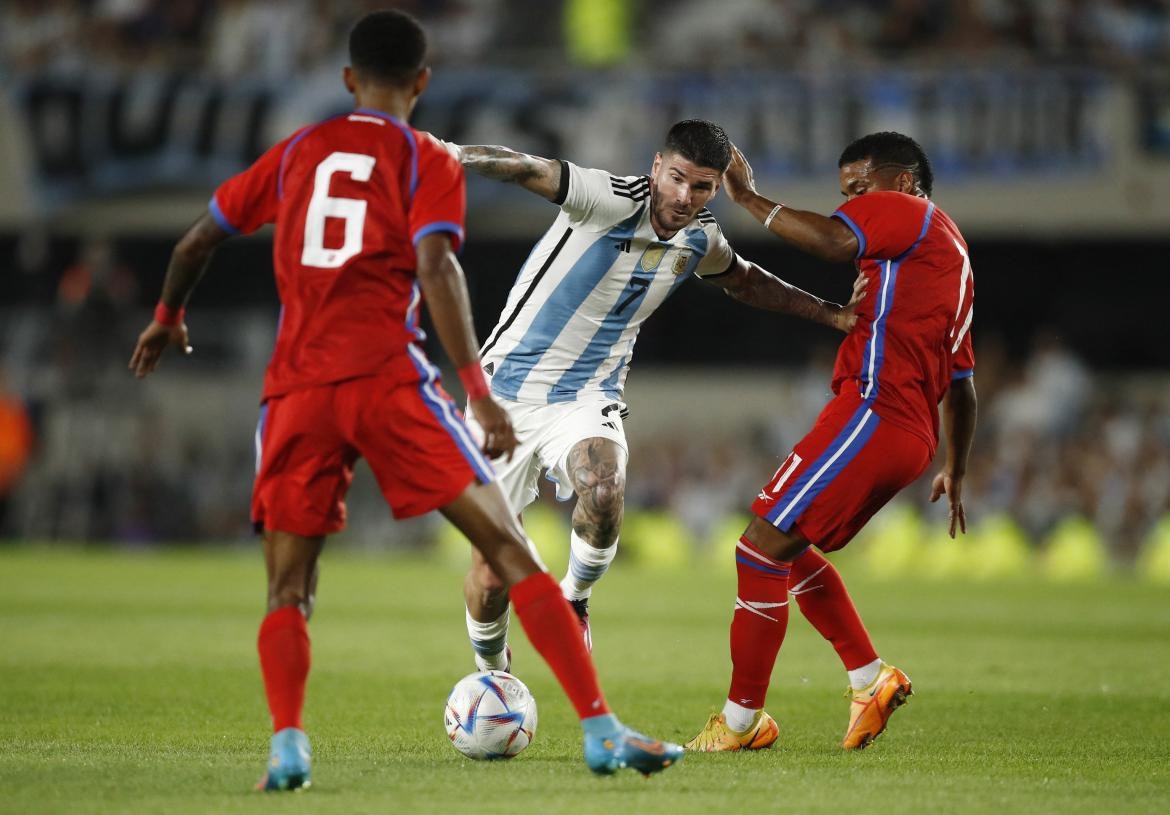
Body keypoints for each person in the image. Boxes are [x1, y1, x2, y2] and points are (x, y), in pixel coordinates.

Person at [128, 9, 683, 790]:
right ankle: (600, 729)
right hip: (389, 382)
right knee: (512, 552)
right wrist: (479, 392)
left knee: (288, 587)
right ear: (423, 83)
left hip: (296, 391)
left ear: (348, 79)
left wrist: (166, 318)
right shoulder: (425, 157)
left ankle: (288, 745)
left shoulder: (296, 152)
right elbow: (437, 268)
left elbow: (195, 242)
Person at [443, 121, 866, 672]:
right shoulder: (608, 198)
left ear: (716, 189)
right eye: (677, 179)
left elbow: (746, 281)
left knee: (603, 487)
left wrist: (831, 313)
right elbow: (528, 167)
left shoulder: (700, 238)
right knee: (491, 572)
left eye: (702, 187)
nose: (684, 197)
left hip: (586, 396)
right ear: (656, 166)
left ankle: (572, 599)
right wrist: (449, 153)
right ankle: (492, 673)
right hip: (505, 395)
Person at [684, 132, 977, 753]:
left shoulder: (912, 212)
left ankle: (740, 723)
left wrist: (747, 197)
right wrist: (956, 463)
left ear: (901, 182)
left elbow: (833, 240)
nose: (851, 203)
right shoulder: (952, 262)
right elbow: (963, 382)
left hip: (875, 410)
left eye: (860, 189)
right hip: (909, 431)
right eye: (845, 193)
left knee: (757, 551)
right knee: (781, 549)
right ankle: (870, 679)